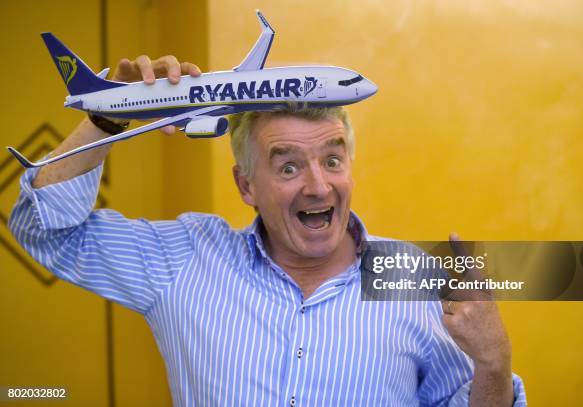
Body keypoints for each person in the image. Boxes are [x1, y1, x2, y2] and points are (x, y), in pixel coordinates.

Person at [10, 55, 527, 406]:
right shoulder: (188, 258)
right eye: (287, 166)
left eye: (332, 158)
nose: (317, 186)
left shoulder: (414, 278)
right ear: (245, 185)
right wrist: (104, 116)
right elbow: (43, 231)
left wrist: (493, 361)